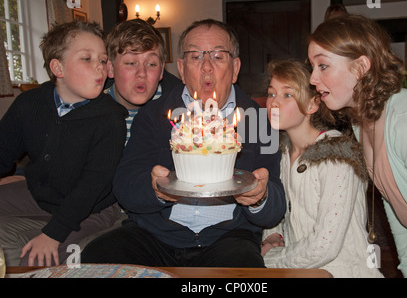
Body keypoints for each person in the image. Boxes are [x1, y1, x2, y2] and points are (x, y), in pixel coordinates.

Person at [81, 19, 286, 267]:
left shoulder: (259, 120)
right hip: (156, 235)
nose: (207, 67)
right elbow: (125, 185)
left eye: (219, 56)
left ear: (235, 68)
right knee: (97, 258)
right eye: (195, 56)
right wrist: (155, 189)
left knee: (245, 273)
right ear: (181, 67)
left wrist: (261, 197)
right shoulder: (154, 115)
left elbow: (275, 205)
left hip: (228, 238)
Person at [308, 14, 407, 278]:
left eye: (323, 66)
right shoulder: (364, 122)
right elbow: (396, 204)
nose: (313, 78)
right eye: (312, 67)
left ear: (360, 66)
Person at [0, 20, 127, 266]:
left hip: (92, 208)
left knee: (34, 257)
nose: (100, 68)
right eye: (87, 59)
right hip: (40, 194)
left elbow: (92, 186)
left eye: (102, 60)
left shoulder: (110, 118)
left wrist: (52, 234)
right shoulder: (30, 103)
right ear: (58, 68)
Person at [261, 60, 383, 277]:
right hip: (301, 270)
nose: (274, 103)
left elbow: (325, 245)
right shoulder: (282, 155)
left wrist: (271, 259)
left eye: (287, 95)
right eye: (271, 94)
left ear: (312, 105)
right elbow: (283, 208)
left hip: (344, 271)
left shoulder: (337, 157)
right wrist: (272, 235)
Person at [103, 18, 181, 144]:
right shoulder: (91, 112)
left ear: (161, 71)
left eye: (151, 64)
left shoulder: (180, 111)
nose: (142, 73)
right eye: (131, 63)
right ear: (110, 68)